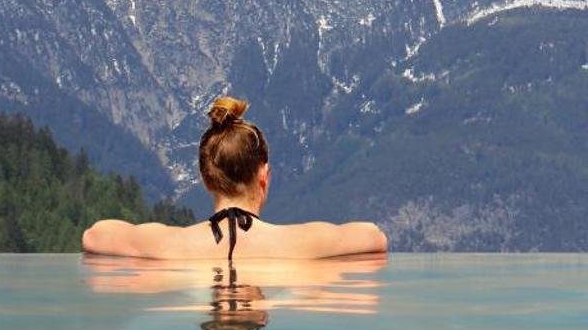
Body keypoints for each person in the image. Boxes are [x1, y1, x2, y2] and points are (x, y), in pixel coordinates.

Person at [81, 95, 387, 260]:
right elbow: (375, 237)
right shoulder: (304, 241)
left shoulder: (169, 244)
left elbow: (94, 235)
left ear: (206, 178)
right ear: (263, 176)